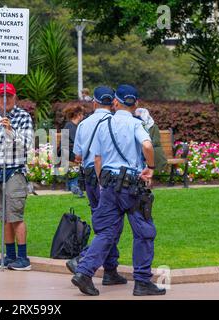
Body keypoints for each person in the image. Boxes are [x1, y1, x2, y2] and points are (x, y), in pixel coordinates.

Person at [71, 84, 165, 297]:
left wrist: (102, 183)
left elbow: (96, 158)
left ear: (115, 102)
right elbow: (148, 146)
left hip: (109, 185)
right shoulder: (135, 124)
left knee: (106, 232)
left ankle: (84, 272)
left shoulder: (104, 124)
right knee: (144, 232)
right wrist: (150, 169)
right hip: (132, 186)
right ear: (136, 104)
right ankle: (141, 281)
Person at [66, 86, 127, 287]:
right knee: (111, 226)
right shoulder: (114, 121)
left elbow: (78, 156)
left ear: (94, 102)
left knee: (104, 223)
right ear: (113, 103)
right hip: (106, 176)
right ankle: (84, 261)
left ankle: (110, 270)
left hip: (89, 176)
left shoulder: (83, 124)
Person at [0, 83, 34, 271]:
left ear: (15, 97)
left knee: (16, 216)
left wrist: (11, 131)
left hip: (14, 170)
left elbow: (27, 145)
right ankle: (9, 256)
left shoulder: (23, 117)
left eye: (9, 96)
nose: (5, 100)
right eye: (1, 96)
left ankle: (23, 258)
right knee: (4, 217)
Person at [135, 108, 167, 173]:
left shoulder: (153, 126)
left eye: (139, 116)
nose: (139, 118)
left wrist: (146, 144)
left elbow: (156, 141)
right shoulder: (136, 125)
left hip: (151, 150)